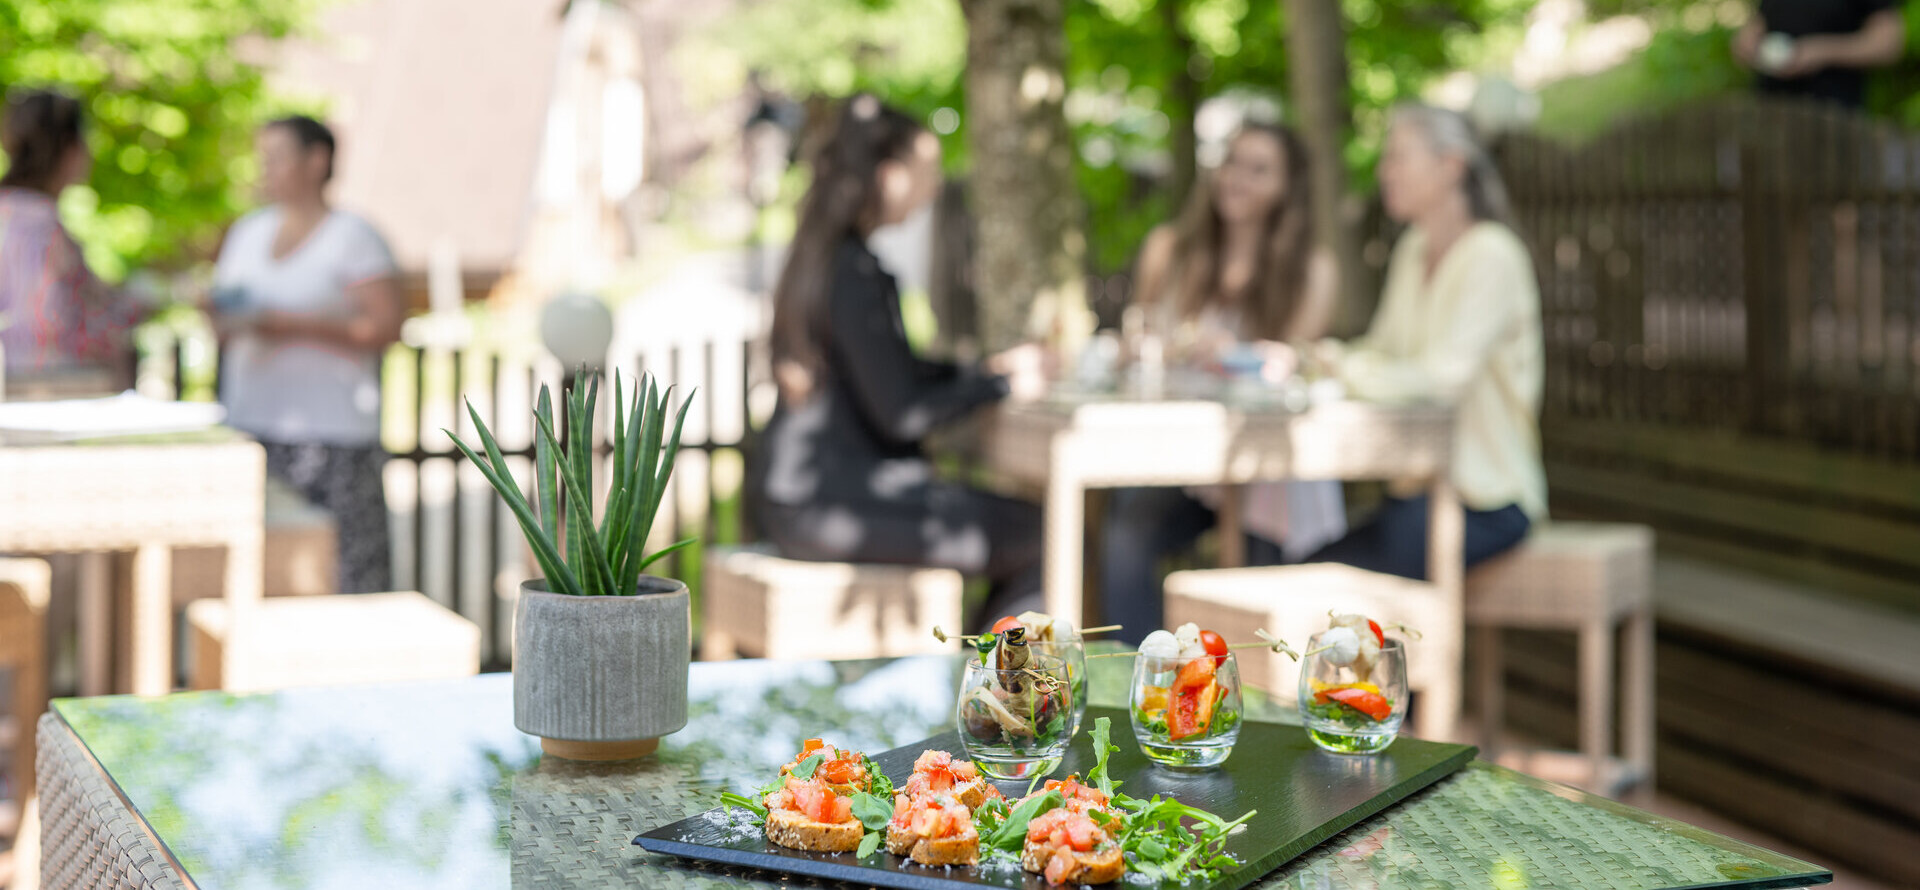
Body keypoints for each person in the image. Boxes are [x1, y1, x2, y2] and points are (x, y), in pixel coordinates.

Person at [747, 95, 1049, 628]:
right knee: (1046, 534)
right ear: (888, 177)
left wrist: (983, 373)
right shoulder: (855, 273)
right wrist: (998, 387)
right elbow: (902, 412)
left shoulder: (832, 258)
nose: (934, 187)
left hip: (806, 497)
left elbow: (889, 370)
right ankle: (991, 698)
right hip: (827, 504)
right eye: (926, 172)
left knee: (1029, 527)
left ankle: (979, 682)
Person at [1100, 123, 1343, 644]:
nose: (1238, 179)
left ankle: (1249, 693)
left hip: (1261, 465)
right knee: (1126, 529)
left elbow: (1296, 368)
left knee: (1262, 561)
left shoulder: (1311, 271)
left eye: (1259, 170)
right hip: (1176, 459)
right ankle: (1136, 679)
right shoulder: (1169, 250)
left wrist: (1236, 357)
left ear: (1287, 186)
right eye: (1232, 162)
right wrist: (1163, 349)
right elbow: (1133, 344)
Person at [1304, 104, 1543, 580]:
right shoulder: (1413, 248)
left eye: (1398, 158)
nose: (1384, 172)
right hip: (1418, 492)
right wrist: (1316, 360)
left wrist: (1341, 368)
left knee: (1318, 585)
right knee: (1301, 568)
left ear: (1451, 166)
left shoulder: (1493, 254)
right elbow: (1382, 350)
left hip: (1486, 500)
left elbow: (1442, 379)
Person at [210, 115, 403, 594]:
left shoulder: (353, 237)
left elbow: (385, 325)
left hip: (333, 437)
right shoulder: (247, 232)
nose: (265, 170)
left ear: (317, 161)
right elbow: (225, 318)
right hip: (254, 425)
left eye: (276, 158)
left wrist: (291, 324)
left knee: (345, 576)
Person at [0, 89, 140, 383]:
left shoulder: (18, 215)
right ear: (69, 148)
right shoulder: (38, 226)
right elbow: (45, 324)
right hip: (42, 397)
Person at [1731, 0, 1905, 109]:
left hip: (1834, 121)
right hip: (1772, 113)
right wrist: (1749, 41)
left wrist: (1821, 51)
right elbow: (1758, 23)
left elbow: (1888, 44)